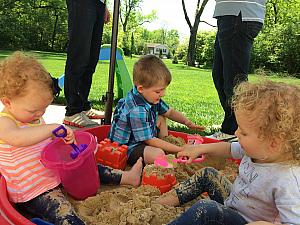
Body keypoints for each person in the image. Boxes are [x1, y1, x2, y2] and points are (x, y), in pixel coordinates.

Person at [0, 52, 143, 225]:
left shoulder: (34, 118)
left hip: (55, 175)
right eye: (33, 111)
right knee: (63, 211)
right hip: (34, 191)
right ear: (8, 102)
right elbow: (18, 139)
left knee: (89, 166)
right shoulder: (5, 123)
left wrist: (61, 140)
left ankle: (127, 178)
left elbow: (43, 144)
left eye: (43, 109)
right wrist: (51, 129)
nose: (39, 114)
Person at [157, 80, 300, 225]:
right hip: (233, 204)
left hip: (245, 221)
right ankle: (162, 203)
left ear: (273, 143)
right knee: (208, 174)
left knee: (206, 209)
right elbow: (229, 149)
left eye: (243, 133)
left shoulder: (288, 181)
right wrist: (200, 148)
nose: (236, 133)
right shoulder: (256, 151)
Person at [109, 55, 205, 166]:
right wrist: (180, 149)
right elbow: (149, 140)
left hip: (141, 139)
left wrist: (186, 122)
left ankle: (166, 144)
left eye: (164, 89)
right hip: (127, 148)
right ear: (141, 88)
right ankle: (166, 153)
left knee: (161, 117)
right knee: (157, 154)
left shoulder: (150, 96)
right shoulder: (137, 110)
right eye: (159, 91)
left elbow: (169, 112)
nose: (163, 94)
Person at [210, 0, 267, 140]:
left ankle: (236, 130)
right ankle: (234, 125)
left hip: (240, 13)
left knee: (234, 82)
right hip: (229, 13)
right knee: (220, 77)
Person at [63, 0, 110, 128]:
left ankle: (83, 106)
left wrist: (103, 6)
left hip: (98, 4)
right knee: (79, 56)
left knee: (91, 59)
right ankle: (73, 111)